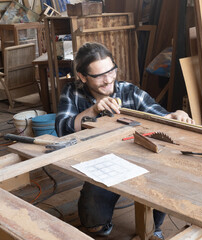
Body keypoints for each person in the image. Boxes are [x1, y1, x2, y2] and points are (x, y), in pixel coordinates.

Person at [55, 42, 194, 239]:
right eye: (99, 76)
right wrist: (94, 110)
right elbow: (61, 129)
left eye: (111, 71)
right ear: (83, 77)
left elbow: (160, 117)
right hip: (99, 165)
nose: (108, 80)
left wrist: (176, 115)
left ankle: (155, 227)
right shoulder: (72, 93)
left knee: (163, 179)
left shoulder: (129, 91)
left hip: (138, 160)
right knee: (95, 226)